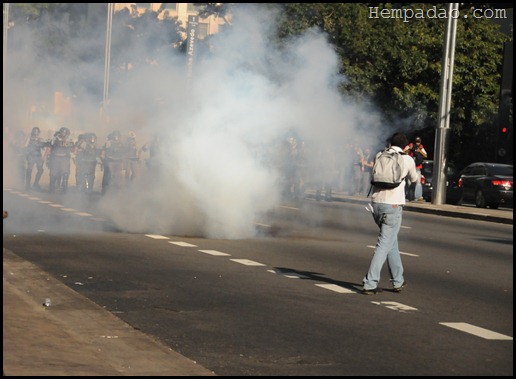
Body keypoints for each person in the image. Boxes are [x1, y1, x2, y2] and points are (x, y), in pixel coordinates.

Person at [362, 131, 418, 295]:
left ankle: (398, 281)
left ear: (390, 143)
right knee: (383, 244)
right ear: (406, 146)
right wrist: (407, 156)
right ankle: (369, 283)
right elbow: (414, 179)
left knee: (390, 242)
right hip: (393, 206)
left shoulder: (380, 155)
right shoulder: (407, 159)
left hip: (376, 204)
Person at [48, 127, 74, 193]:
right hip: (55, 158)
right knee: (53, 174)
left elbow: (72, 148)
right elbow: (50, 146)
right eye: (62, 132)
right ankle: (52, 188)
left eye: (65, 133)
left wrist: (67, 144)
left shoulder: (69, 140)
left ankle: (64, 188)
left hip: (65, 159)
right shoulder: (55, 139)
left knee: (65, 173)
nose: (63, 134)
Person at [404, 136, 427, 201]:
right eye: (416, 141)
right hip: (411, 166)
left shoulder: (421, 147)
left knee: (418, 182)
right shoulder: (411, 145)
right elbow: (405, 150)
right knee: (409, 182)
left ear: (420, 142)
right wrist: (409, 149)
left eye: (418, 142)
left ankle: (418, 196)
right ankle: (410, 196)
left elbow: (425, 155)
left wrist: (420, 151)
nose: (417, 143)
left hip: (418, 167)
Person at [25, 126, 48, 191]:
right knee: (29, 170)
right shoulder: (29, 139)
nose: (36, 134)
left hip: (38, 156)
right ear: (32, 132)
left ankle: (35, 184)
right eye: (35, 132)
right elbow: (25, 146)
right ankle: (27, 185)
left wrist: (45, 144)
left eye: (37, 132)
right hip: (31, 156)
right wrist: (27, 155)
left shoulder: (40, 139)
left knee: (40, 170)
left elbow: (44, 146)